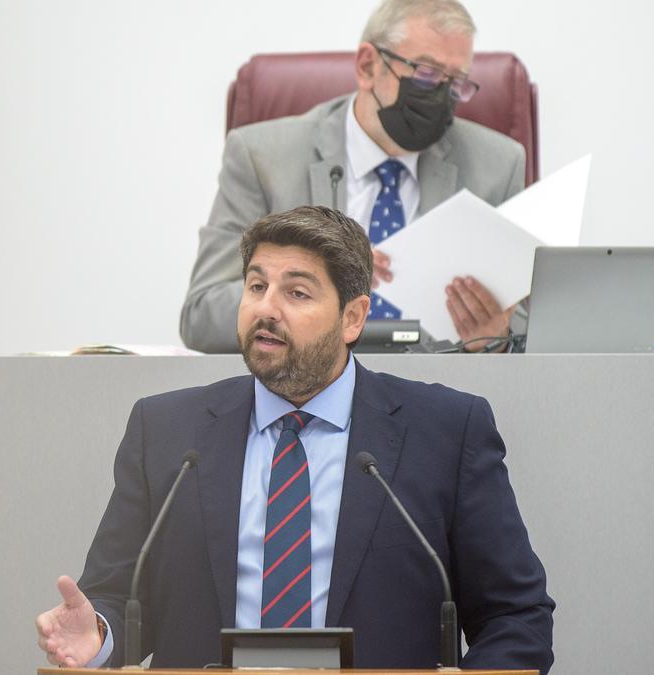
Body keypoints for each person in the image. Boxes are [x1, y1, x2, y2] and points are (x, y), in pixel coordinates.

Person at [36, 206, 554, 671]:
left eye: (297, 292)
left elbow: (515, 616)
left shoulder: (444, 431)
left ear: (353, 317)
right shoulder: (168, 431)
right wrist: (98, 636)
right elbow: (116, 597)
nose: (267, 308)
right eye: (256, 286)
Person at [181, 0, 524, 354]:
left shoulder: (498, 165)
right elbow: (202, 315)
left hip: (439, 392)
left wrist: (496, 335)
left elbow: (532, 321)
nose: (441, 96)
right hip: (306, 391)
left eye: (456, 84)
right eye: (426, 73)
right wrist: (307, 284)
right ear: (367, 65)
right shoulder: (262, 157)